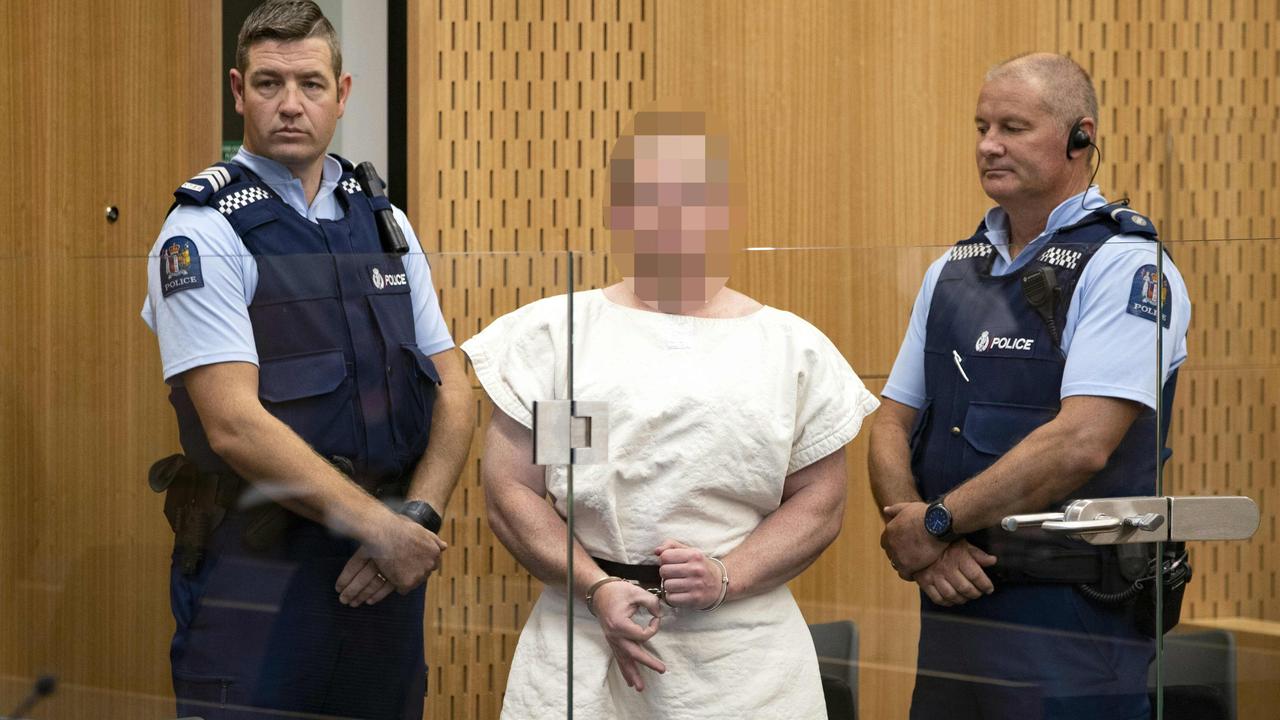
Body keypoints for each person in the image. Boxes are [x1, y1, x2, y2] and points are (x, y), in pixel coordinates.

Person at [461, 110, 880, 719]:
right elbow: (513, 493)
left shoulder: (790, 349)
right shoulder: (564, 338)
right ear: (620, 213)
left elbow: (820, 503)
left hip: (743, 661)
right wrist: (598, 585)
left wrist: (726, 574)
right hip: (580, 636)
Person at [140, 2, 474, 718]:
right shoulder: (203, 228)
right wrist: (384, 532)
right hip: (258, 575)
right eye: (268, 83)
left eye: (311, 84)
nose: (290, 105)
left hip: (383, 573)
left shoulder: (383, 222)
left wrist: (416, 518)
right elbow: (231, 424)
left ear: (342, 93)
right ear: (237, 91)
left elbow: (453, 385)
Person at [869, 53, 1191, 720]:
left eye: (1013, 127)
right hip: (954, 596)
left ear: (1081, 136)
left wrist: (935, 521)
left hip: (1072, 613)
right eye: (981, 126)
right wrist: (919, 540)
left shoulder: (1126, 265)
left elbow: (1081, 443)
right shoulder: (952, 271)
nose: (989, 145)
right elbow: (892, 423)